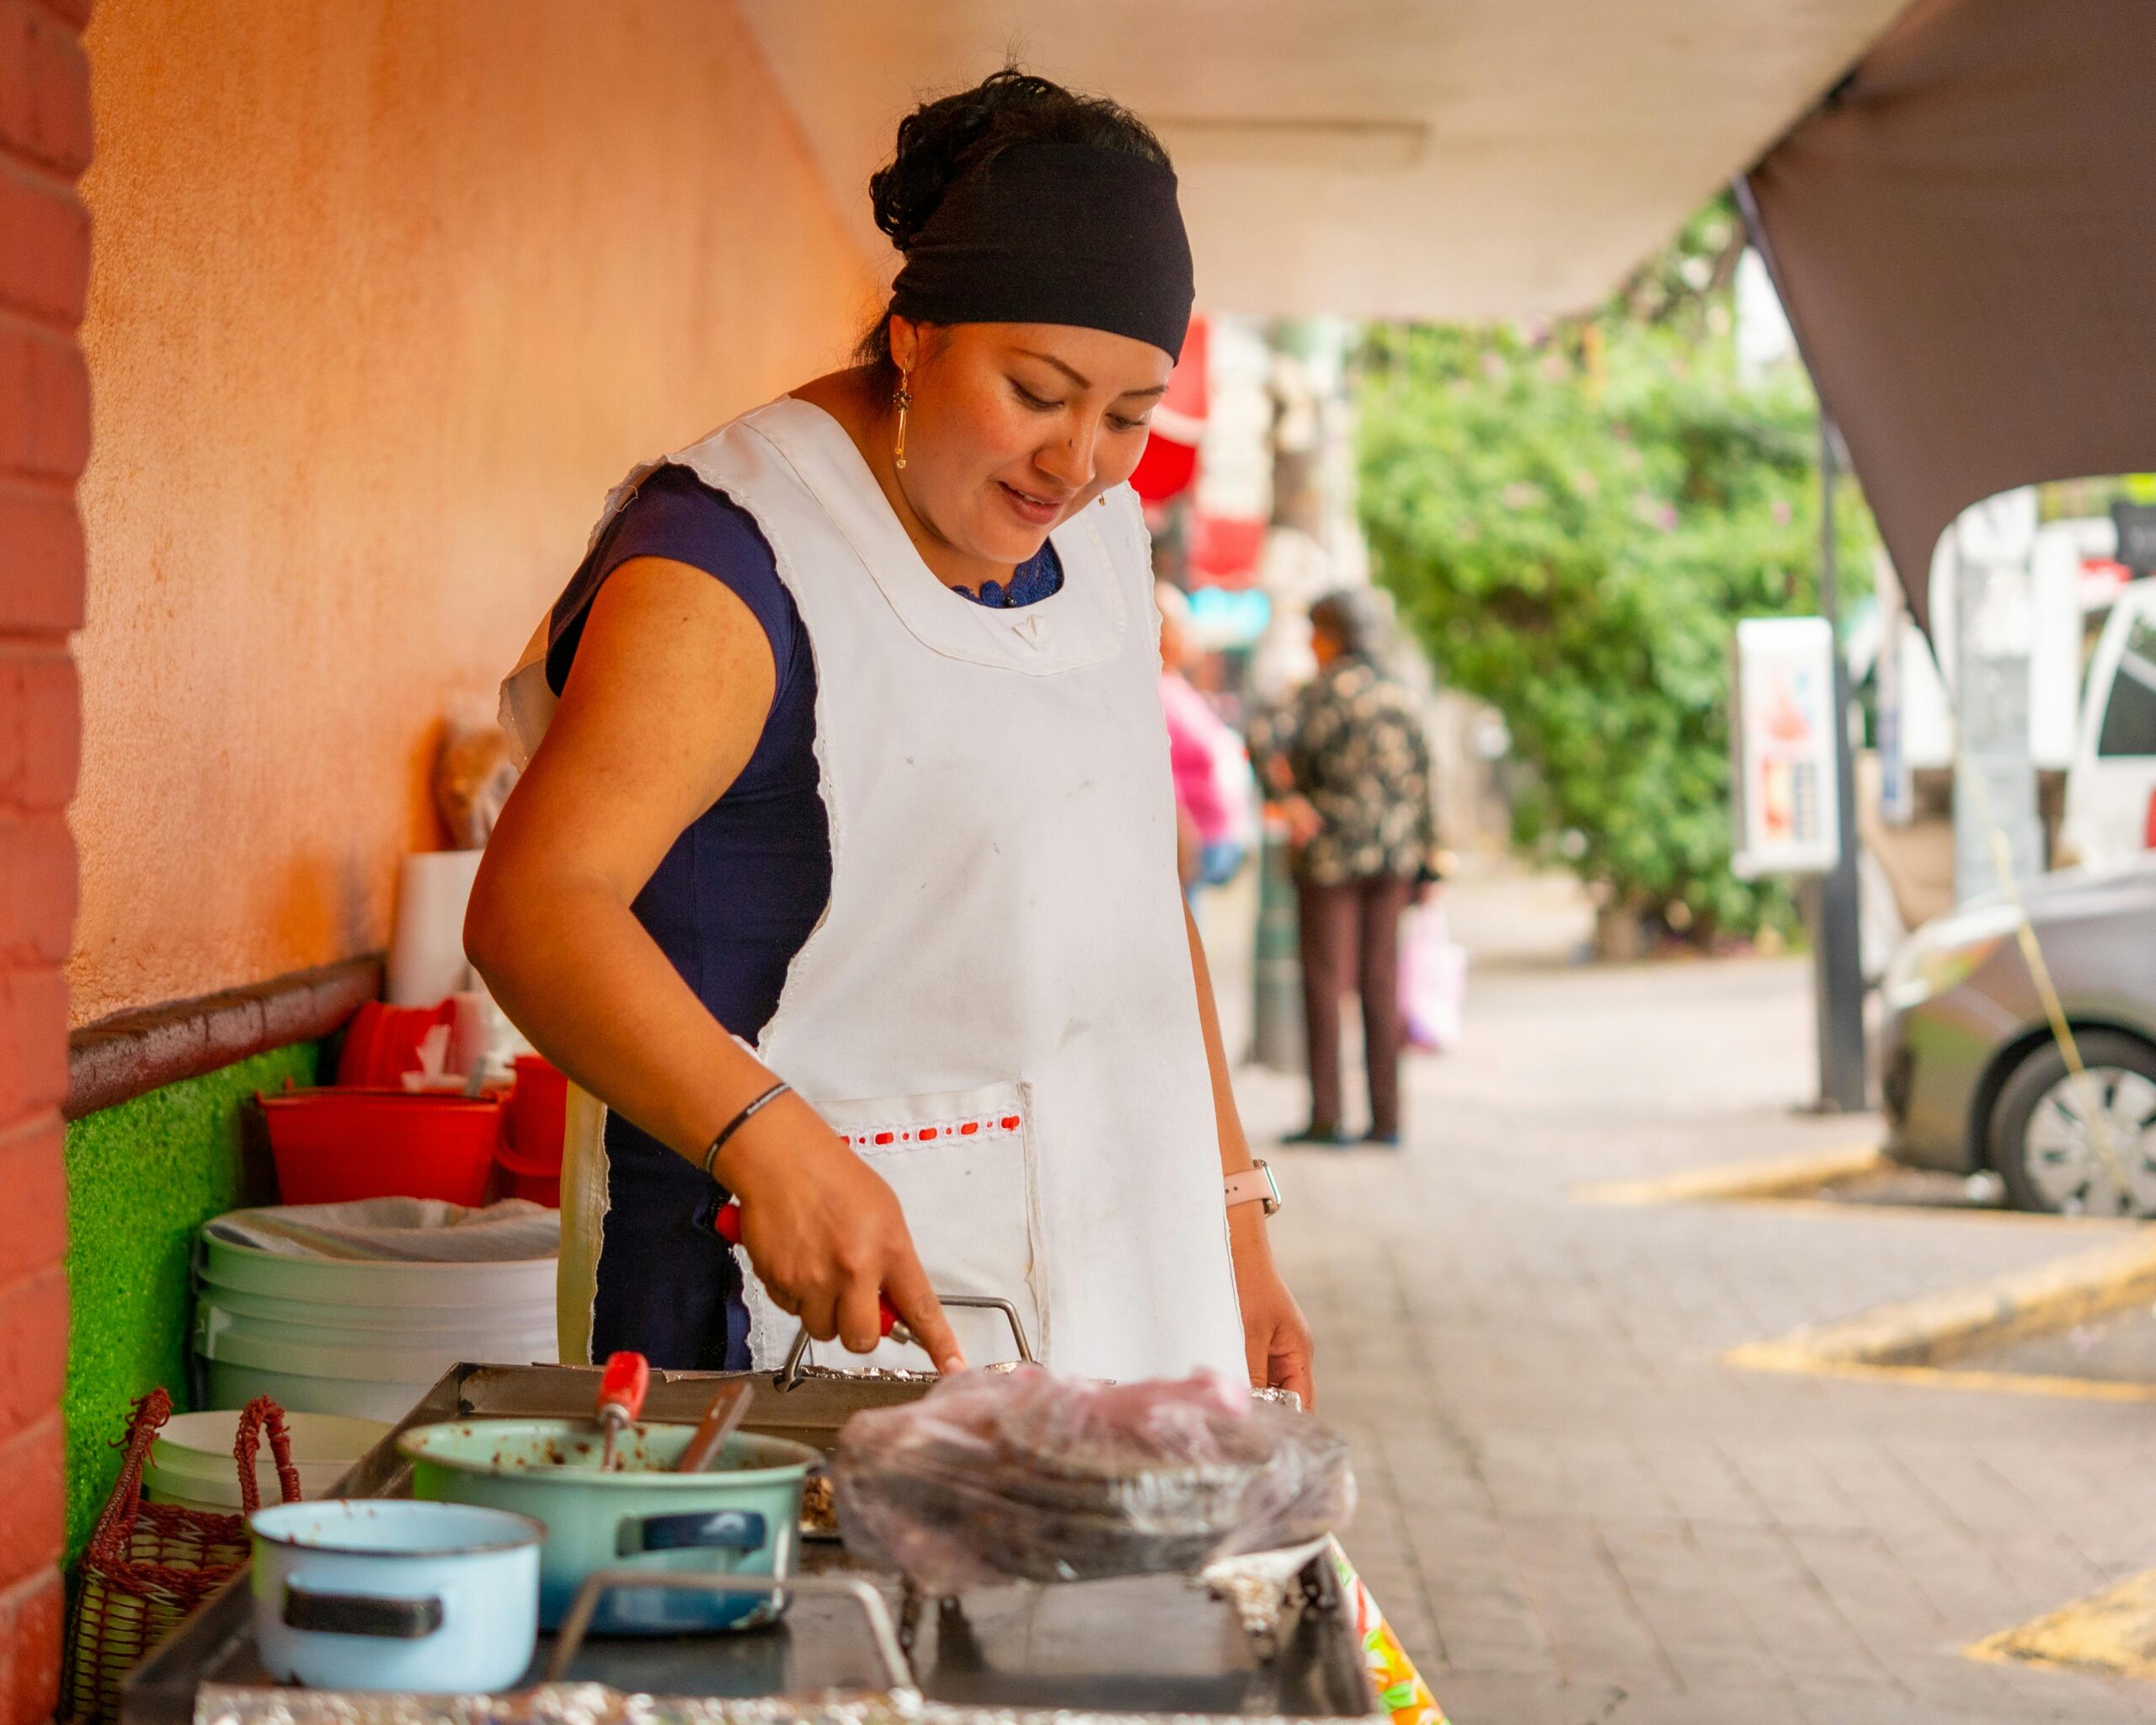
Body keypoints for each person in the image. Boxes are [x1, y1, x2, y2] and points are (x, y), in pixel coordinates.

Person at [467, 70, 1314, 1406]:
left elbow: (1136, 891)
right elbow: (534, 908)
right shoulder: (729, 559)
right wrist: (763, 1136)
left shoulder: (1097, 541)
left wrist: (1234, 1221)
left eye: (1132, 415)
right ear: (913, 338)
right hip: (799, 1329)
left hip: (1129, 1280)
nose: (1079, 458)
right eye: (1038, 390)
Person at [1251, 590, 1441, 1148]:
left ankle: (1328, 1117)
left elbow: (1262, 736)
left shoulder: (1318, 693)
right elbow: (1427, 779)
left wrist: (1287, 801)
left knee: (1325, 983)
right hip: (1393, 857)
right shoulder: (1399, 693)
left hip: (1330, 854)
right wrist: (1429, 861)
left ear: (1330, 633)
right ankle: (1388, 1119)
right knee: (1381, 983)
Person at [1156, 582, 1255, 899]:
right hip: (1189, 849)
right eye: (1181, 622)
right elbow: (1162, 774)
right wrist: (1182, 838)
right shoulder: (1154, 692)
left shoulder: (1177, 685)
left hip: (1211, 843)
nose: (1191, 630)